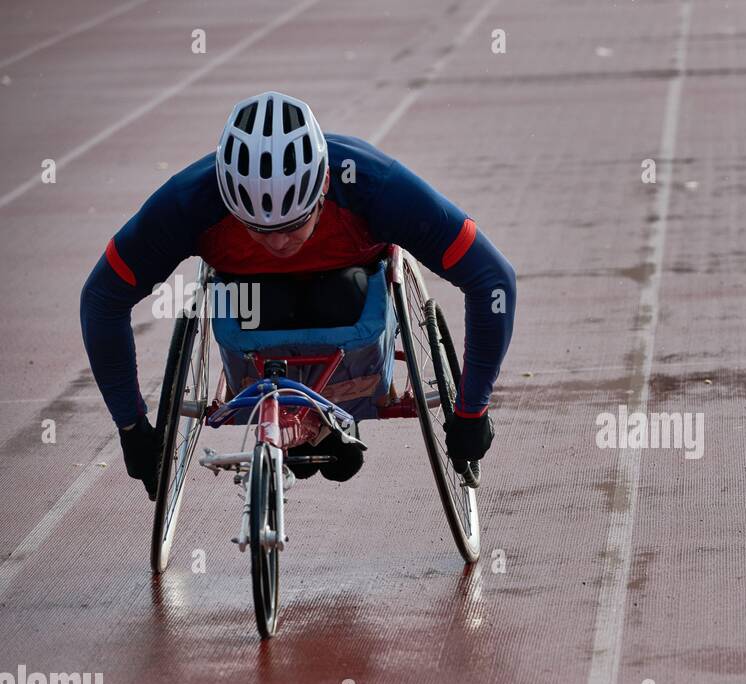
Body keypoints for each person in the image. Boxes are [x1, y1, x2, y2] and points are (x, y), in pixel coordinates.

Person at [80, 90, 516, 498]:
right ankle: (314, 423)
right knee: (252, 303)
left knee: (343, 292)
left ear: (323, 187)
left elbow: (493, 279)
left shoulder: (374, 184)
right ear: (228, 201)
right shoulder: (188, 201)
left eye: (293, 225)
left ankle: (322, 420)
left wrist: (472, 410)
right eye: (257, 228)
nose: (278, 243)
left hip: (348, 298)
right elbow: (102, 299)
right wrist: (132, 427)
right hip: (251, 306)